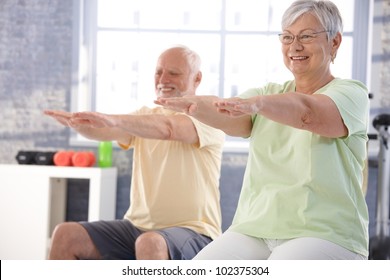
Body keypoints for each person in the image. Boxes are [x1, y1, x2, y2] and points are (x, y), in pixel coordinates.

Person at [156, 0, 369, 260]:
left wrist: (257, 105)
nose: (295, 46)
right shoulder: (268, 94)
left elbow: (308, 113)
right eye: (287, 37)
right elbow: (232, 117)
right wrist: (196, 106)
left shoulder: (350, 93)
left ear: (334, 42)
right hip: (255, 229)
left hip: (325, 232)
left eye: (306, 36)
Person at [44, 45, 225, 260]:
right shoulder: (144, 117)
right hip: (137, 227)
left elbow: (169, 128)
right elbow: (107, 129)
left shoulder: (210, 116)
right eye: (158, 72)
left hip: (194, 231)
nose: (163, 79)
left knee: (150, 242)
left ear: (197, 79)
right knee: (66, 235)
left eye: (174, 73)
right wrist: (78, 123)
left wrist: (115, 118)